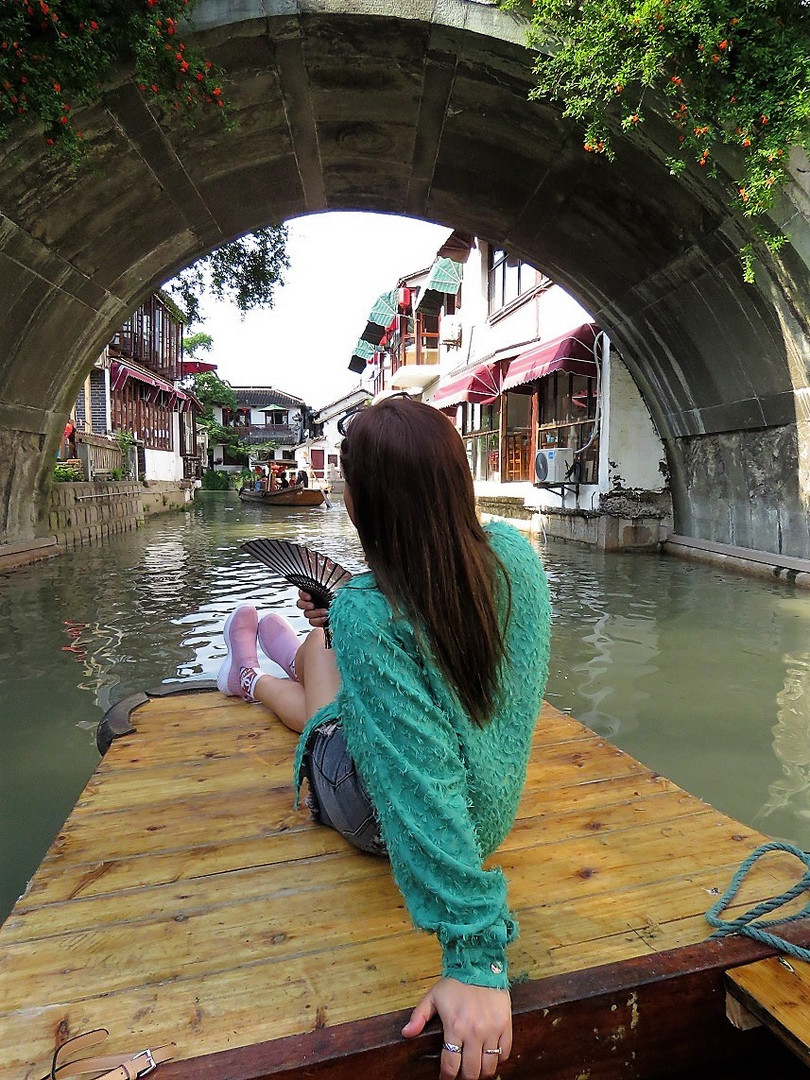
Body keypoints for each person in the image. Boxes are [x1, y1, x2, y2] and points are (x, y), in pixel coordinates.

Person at [216, 397, 551, 1080]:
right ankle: (299, 647)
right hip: (490, 809)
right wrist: (351, 617)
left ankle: (248, 677)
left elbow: (417, 784)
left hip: (388, 822)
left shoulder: (372, 612)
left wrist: (477, 956)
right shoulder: (516, 555)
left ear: (360, 505)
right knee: (332, 643)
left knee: (327, 715)